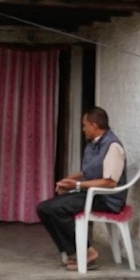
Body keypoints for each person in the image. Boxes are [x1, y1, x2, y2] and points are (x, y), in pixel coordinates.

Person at [36, 107, 127, 271]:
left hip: (106, 199)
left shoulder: (112, 146)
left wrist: (76, 185)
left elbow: (110, 183)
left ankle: (88, 252)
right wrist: (69, 180)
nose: (83, 129)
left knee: (58, 209)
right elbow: (87, 171)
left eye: (85, 125)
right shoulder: (93, 144)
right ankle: (72, 251)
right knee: (44, 208)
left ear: (94, 125)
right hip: (91, 193)